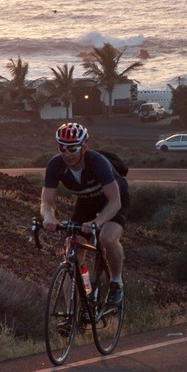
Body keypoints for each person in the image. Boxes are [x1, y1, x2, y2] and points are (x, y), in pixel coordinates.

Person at [41, 122, 129, 307]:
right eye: (62, 148)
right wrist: (49, 217)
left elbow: (115, 202)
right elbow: (47, 201)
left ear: (84, 147)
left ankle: (116, 282)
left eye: (72, 149)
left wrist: (97, 221)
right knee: (73, 249)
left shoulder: (97, 162)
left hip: (112, 200)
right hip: (86, 202)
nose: (66, 153)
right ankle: (73, 311)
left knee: (107, 238)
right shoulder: (55, 165)